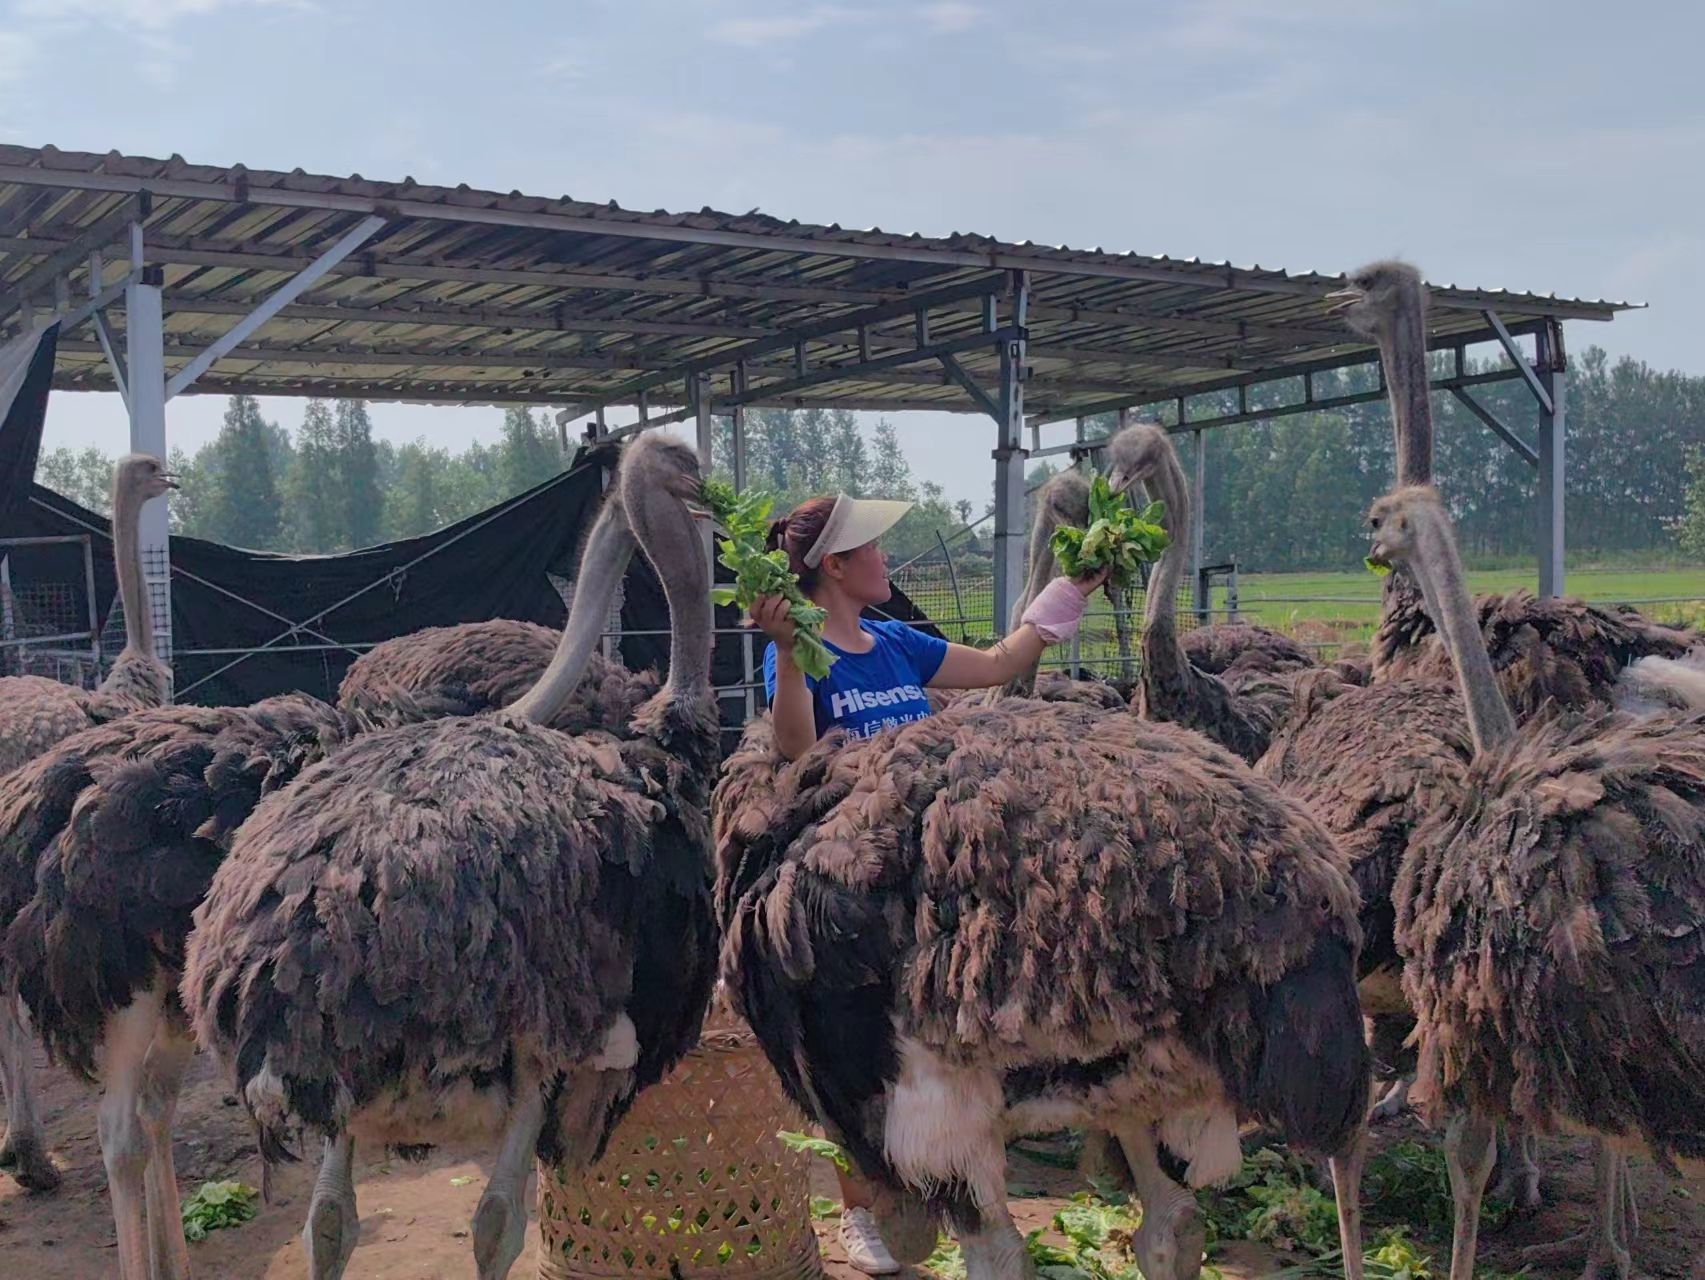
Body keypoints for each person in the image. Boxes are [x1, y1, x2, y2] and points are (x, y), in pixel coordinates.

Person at [748, 491, 1103, 1274]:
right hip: (851, 879)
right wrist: (790, 655)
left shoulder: (893, 642)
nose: (885, 560)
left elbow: (1003, 664)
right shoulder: (801, 651)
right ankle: (858, 1210)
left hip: (931, 871)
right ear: (836, 567)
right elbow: (797, 753)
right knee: (857, 1047)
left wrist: (1073, 587)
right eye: (871, 549)